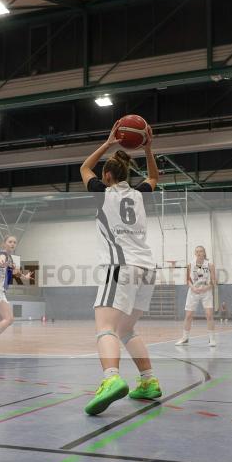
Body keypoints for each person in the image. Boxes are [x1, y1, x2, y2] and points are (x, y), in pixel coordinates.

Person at [79, 120, 160, 416]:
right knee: (126, 329)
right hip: (147, 269)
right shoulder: (139, 194)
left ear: (108, 176)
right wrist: (148, 148)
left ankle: (111, 378)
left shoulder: (103, 193)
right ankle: (148, 381)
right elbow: (154, 176)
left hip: (120, 266)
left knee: (105, 327)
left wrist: (108, 143)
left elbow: (84, 168)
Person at [0, 235, 33, 356]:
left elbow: (16, 272)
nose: (12, 244)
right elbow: (1, 261)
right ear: (4, 243)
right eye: (10, 242)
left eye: (14, 242)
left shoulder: (12, 259)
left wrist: (24, 277)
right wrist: (3, 263)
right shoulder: (3, 253)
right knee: (9, 319)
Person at [175, 245, 217, 346]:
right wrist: (193, 288)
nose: (199, 253)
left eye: (201, 251)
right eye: (197, 251)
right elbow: (187, 280)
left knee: (209, 315)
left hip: (206, 291)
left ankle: (212, 339)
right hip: (193, 291)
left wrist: (206, 288)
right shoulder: (190, 265)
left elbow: (214, 281)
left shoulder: (210, 265)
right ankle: (185, 338)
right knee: (188, 315)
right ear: (195, 253)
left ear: (204, 253)